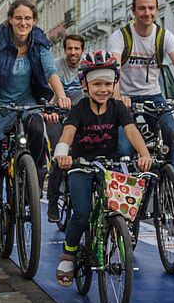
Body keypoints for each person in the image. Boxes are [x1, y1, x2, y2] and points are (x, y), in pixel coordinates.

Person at [0, 0, 70, 247]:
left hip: (26, 101)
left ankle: (29, 176)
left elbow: (50, 70)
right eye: (18, 18)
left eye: (28, 18)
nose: (23, 23)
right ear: (10, 20)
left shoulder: (39, 39)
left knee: (36, 127)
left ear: (34, 20)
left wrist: (61, 95)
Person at [52, 51, 152, 287]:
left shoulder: (118, 108)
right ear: (85, 85)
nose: (103, 89)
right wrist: (63, 153)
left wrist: (144, 153)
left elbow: (131, 130)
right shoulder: (79, 109)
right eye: (97, 84)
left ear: (114, 83)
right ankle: (68, 254)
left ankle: (119, 229)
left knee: (122, 204)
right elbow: (68, 133)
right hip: (80, 166)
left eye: (108, 84)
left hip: (108, 165)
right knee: (82, 213)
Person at [108, 0, 174, 168]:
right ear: (133, 11)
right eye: (142, 8)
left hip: (152, 95)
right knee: (124, 148)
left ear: (157, 9)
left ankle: (167, 177)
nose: (147, 13)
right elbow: (115, 72)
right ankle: (127, 179)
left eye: (151, 8)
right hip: (125, 96)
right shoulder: (120, 36)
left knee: (170, 134)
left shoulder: (164, 36)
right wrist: (118, 98)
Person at [45, 33, 85, 223]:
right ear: (64, 50)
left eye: (77, 48)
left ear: (82, 50)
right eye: (69, 48)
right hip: (57, 116)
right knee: (59, 155)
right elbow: (50, 92)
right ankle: (53, 202)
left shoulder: (87, 66)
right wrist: (49, 109)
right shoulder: (56, 66)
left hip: (78, 118)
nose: (73, 52)